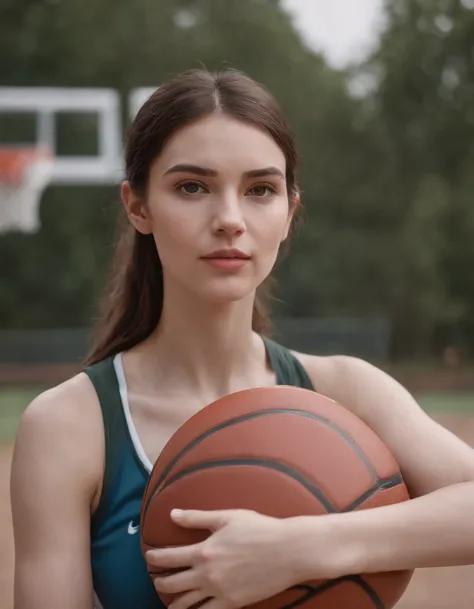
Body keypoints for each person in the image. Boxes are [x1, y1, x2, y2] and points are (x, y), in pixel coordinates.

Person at [10, 68, 474, 609]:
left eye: (259, 190)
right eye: (192, 187)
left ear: (288, 212)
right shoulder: (71, 426)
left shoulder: (347, 392)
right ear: (138, 207)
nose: (230, 219)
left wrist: (297, 550)